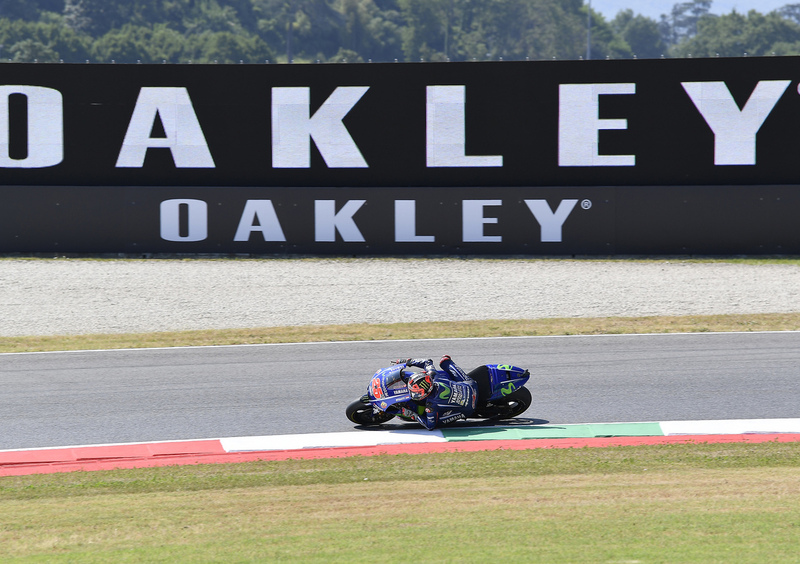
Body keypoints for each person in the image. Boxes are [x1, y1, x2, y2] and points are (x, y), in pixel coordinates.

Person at [389, 355, 478, 430]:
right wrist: (408, 362)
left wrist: (413, 415)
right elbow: (427, 362)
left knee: (437, 421)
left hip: (469, 408)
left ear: (425, 392)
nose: (414, 394)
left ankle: (462, 413)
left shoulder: (430, 405)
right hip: (471, 386)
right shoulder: (434, 376)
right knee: (445, 361)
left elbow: (430, 426)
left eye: (416, 392)